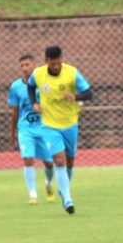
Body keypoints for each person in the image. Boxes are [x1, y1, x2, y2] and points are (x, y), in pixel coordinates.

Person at [27, 45, 94, 214]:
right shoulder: (38, 74)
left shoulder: (72, 73)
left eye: (58, 63)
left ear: (61, 59)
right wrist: (34, 103)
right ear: (46, 61)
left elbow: (89, 93)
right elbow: (30, 86)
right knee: (59, 161)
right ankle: (68, 198)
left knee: (70, 161)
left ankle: (64, 190)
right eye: (52, 63)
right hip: (49, 125)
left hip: (70, 124)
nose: (56, 66)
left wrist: (75, 97)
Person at [8, 54, 56, 205]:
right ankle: (33, 195)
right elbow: (15, 110)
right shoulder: (16, 87)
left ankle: (48, 184)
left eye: (27, 64)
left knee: (49, 163)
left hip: (44, 129)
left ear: (34, 65)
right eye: (22, 65)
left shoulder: (44, 83)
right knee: (27, 159)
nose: (24, 68)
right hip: (25, 130)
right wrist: (12, 132)